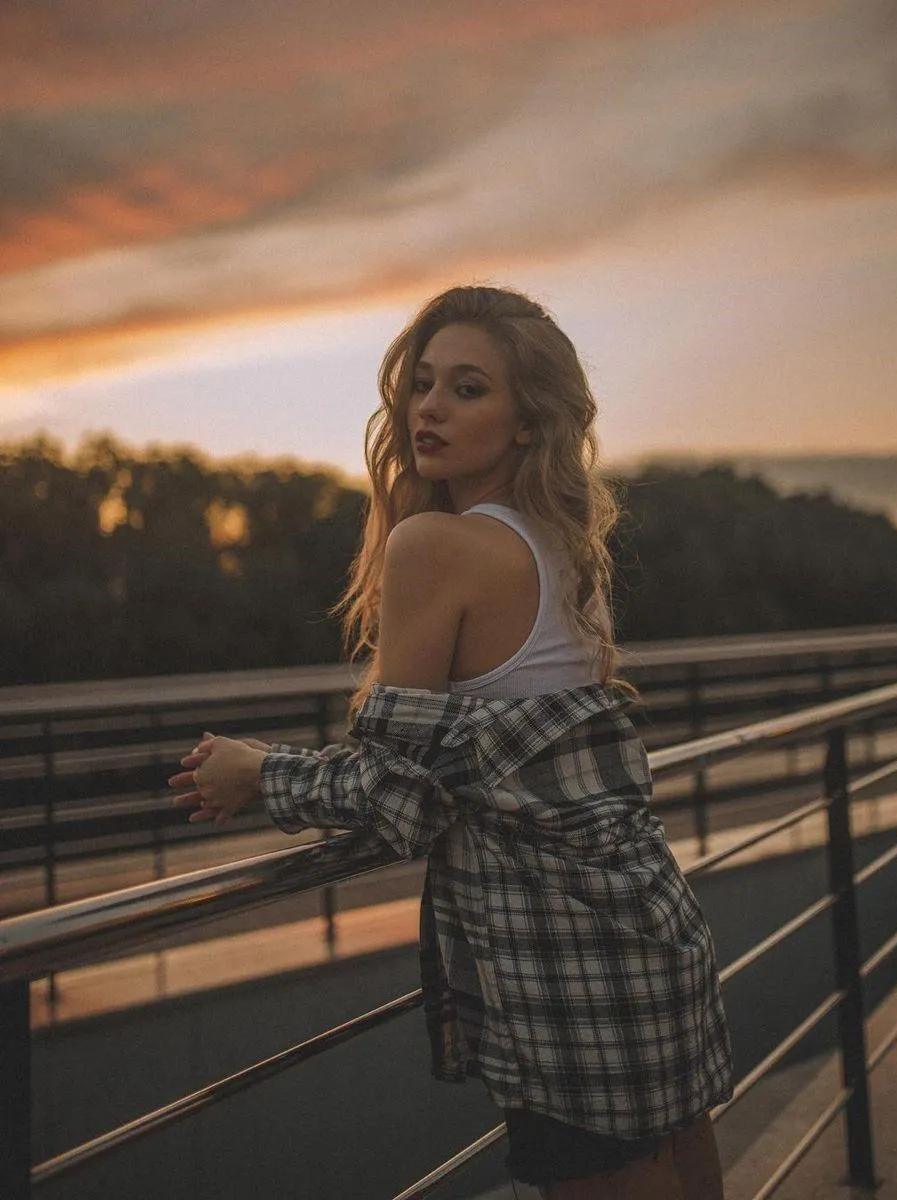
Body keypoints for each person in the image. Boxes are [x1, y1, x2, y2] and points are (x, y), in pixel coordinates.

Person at [169, 285, 732, 1199]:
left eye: (468, 388)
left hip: (567, 971)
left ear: (525, 420)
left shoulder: (436, 544)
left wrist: (259, 774)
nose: (428, 407)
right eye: (422, 383)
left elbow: (401, 797)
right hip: (649, 928)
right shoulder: (561, 546)